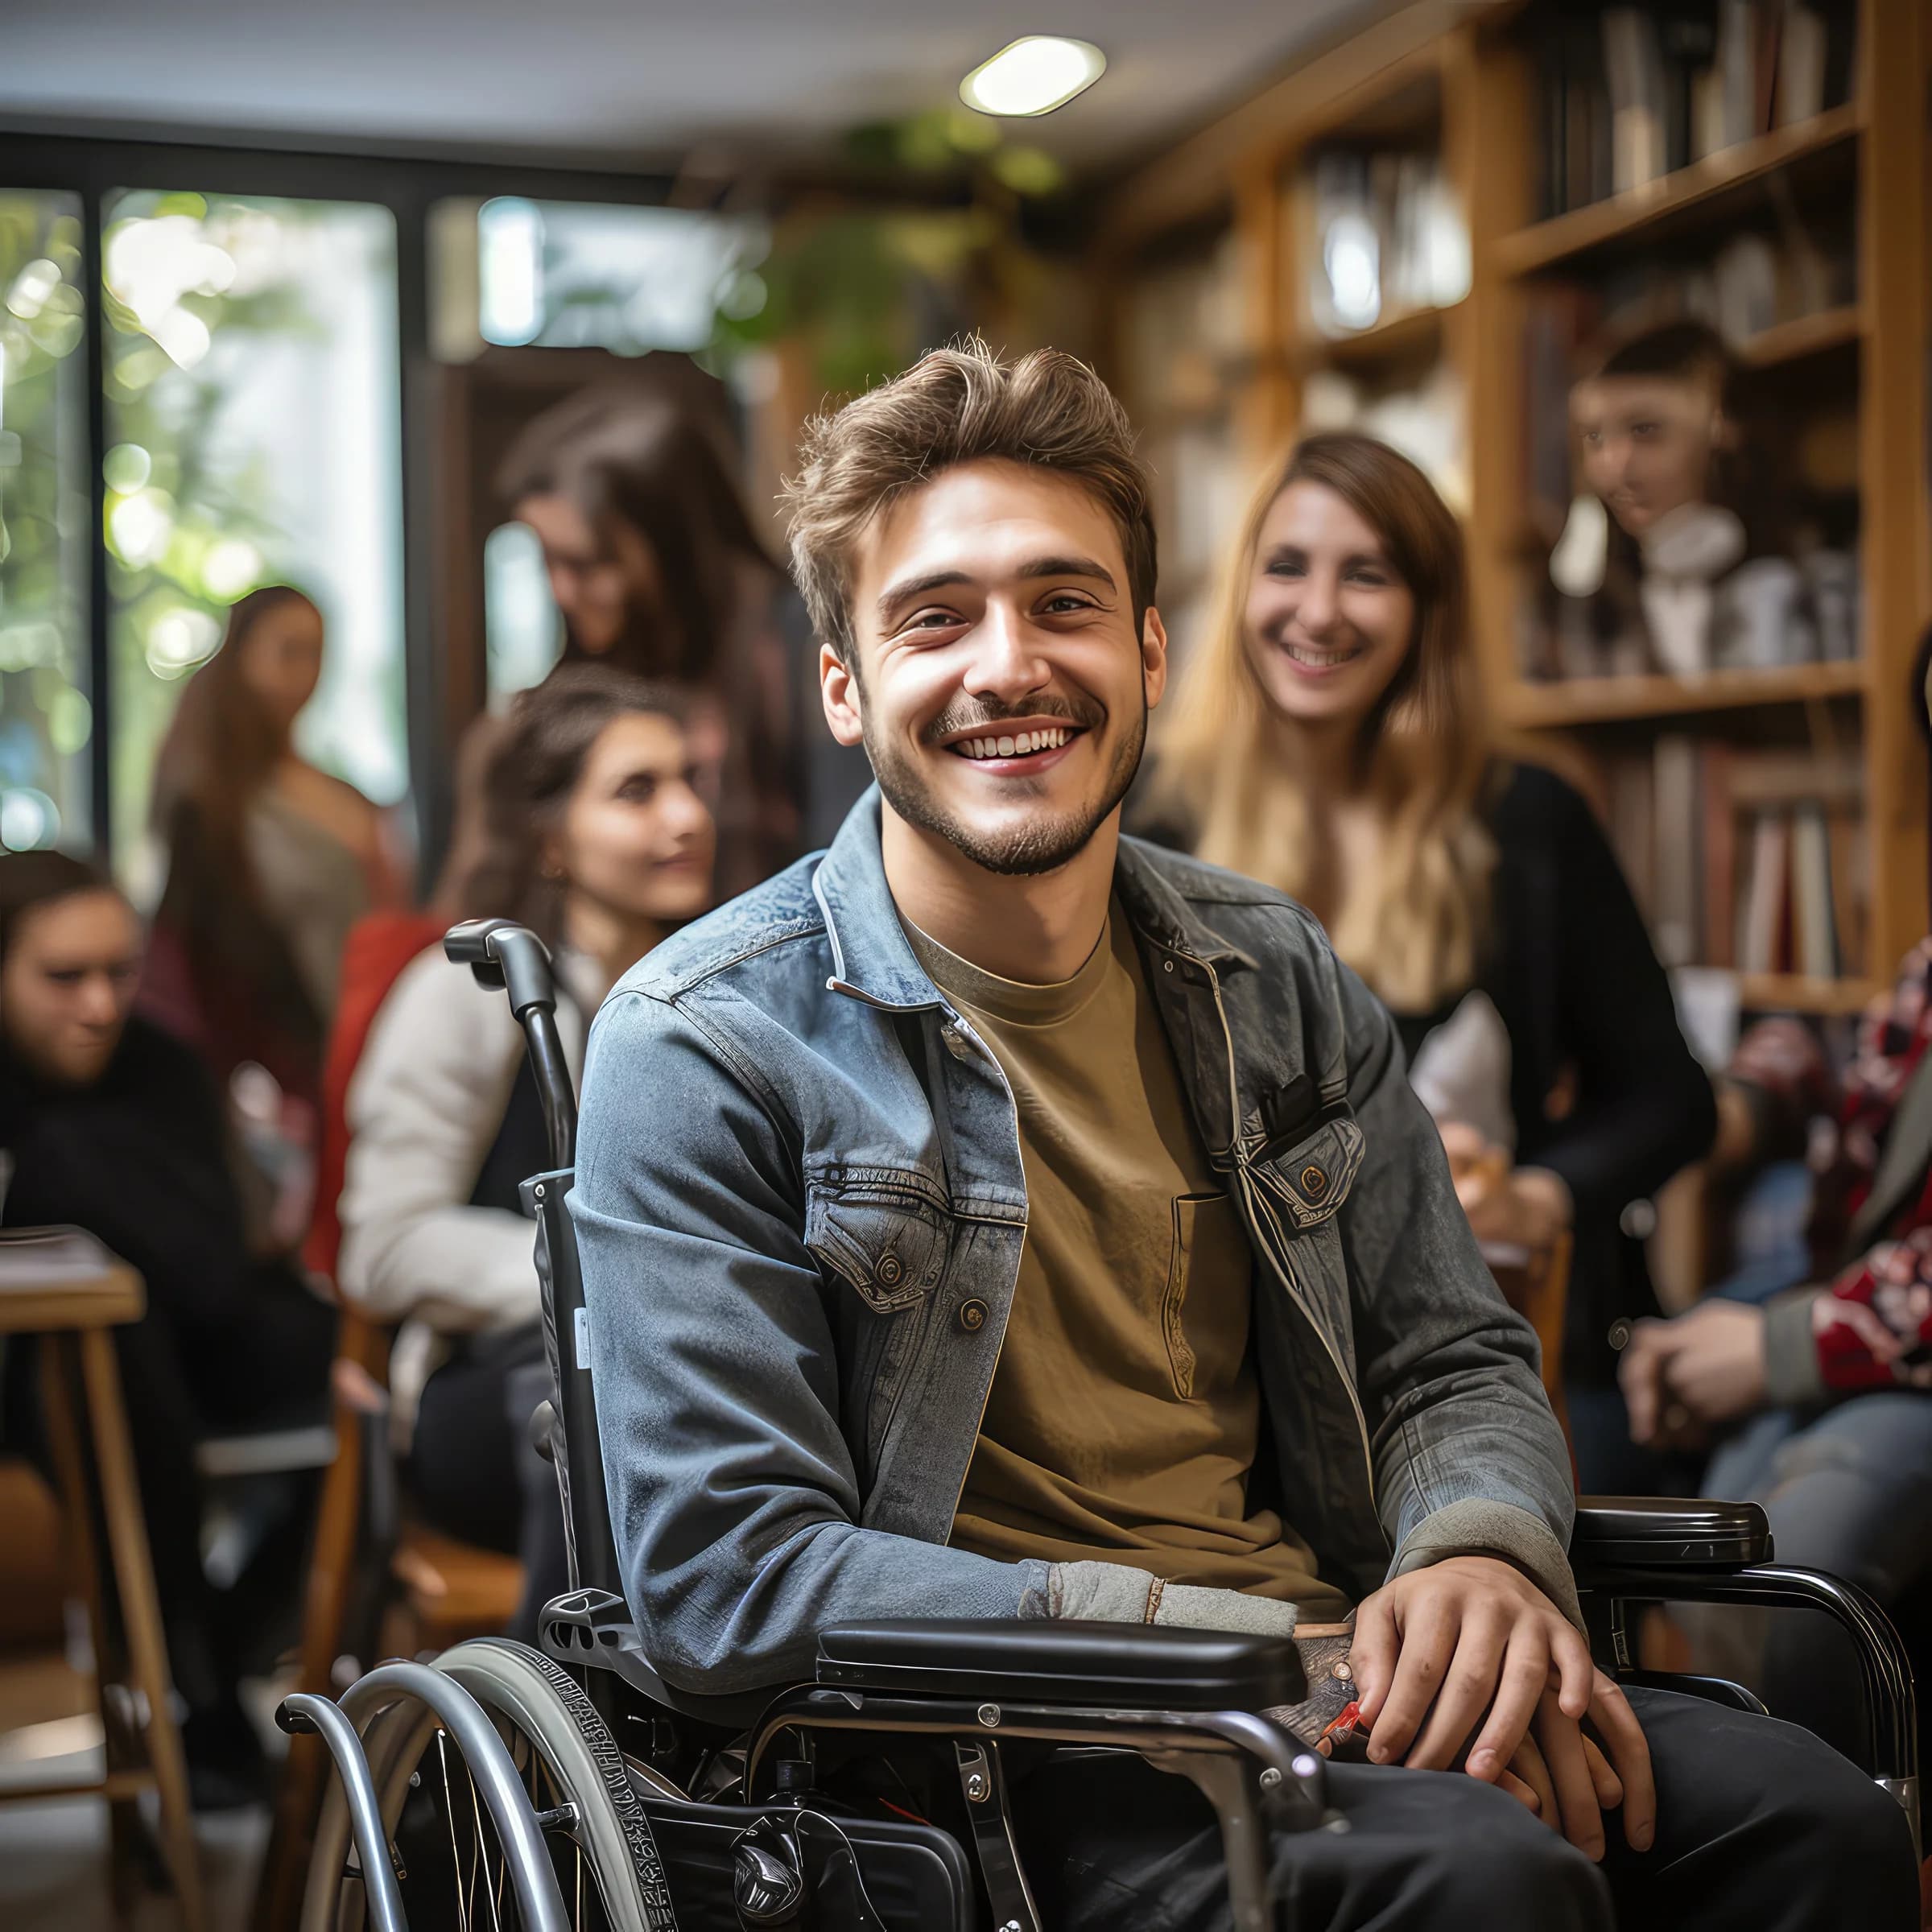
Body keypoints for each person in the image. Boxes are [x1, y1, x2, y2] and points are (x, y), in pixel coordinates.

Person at [569, 344, 1914, 1930]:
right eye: (937, 618)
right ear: (845, 689)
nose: (1009, 665)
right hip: (989, 1759)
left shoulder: (1271, 968)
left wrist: (1478, 1560)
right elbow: (732, 1577)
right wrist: (1228, 1654)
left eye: (1065, 604)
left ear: (1148, 649)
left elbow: (1448, 1354)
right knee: (1486, 1885)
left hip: (1355, 1670)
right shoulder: (705, 1041)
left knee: (1815, 1819)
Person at [1144, 431, 1716, 1492]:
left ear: (1426, 613)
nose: (1319, 612)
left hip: (1497, 1334)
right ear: (1238, 591)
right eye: (1287, 567)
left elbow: (1673, 1098)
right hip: (1219, 1356)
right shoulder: (1146, 822)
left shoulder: (1527, 821)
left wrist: (1539, 1196)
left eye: (1368, 574)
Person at [336, 667, 713, 1637]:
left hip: (678, 1375)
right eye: (638, 791)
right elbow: (382, 1243)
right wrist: (598, 1278)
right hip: (500, 1395)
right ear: (548, 837)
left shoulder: (722, 990)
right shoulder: (469, 993)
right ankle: (571, 1748)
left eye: (688, 781)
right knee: (584, 1405)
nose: (686, 814)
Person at [1616, 631, 1932, 1761]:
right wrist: (1755, 1092)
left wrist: (1777, 1350)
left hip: (1895, 1344)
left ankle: (1842, 1868)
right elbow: (1873, 1070)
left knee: (1797, 1571)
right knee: (1703, 1537)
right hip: (1857, 1307)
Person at [0, 850, 336, 1806]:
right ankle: (192, 1676)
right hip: (57, 1364)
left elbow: (214, 1268)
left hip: (196, 1334)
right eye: (65, 977)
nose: (101, 1004)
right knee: (111, 1352)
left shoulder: (162, 1064)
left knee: (375, 1367)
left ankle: (212, 1654)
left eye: (120, 971)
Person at [497, 385, 865, 893]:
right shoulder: (589, 678)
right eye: (547, 559)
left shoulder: (800, 647)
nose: (561, 590)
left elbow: (849, 868)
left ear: (674, 546)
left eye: (587, 564)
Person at [143, 585, 402, 1232]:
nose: (304, 672)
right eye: (287, 651)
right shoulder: (214, 798)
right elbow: (208, 953)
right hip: (298, 1038)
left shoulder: (335, 789)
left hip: (376, 1029)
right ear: (241, 658)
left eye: (316, 653)